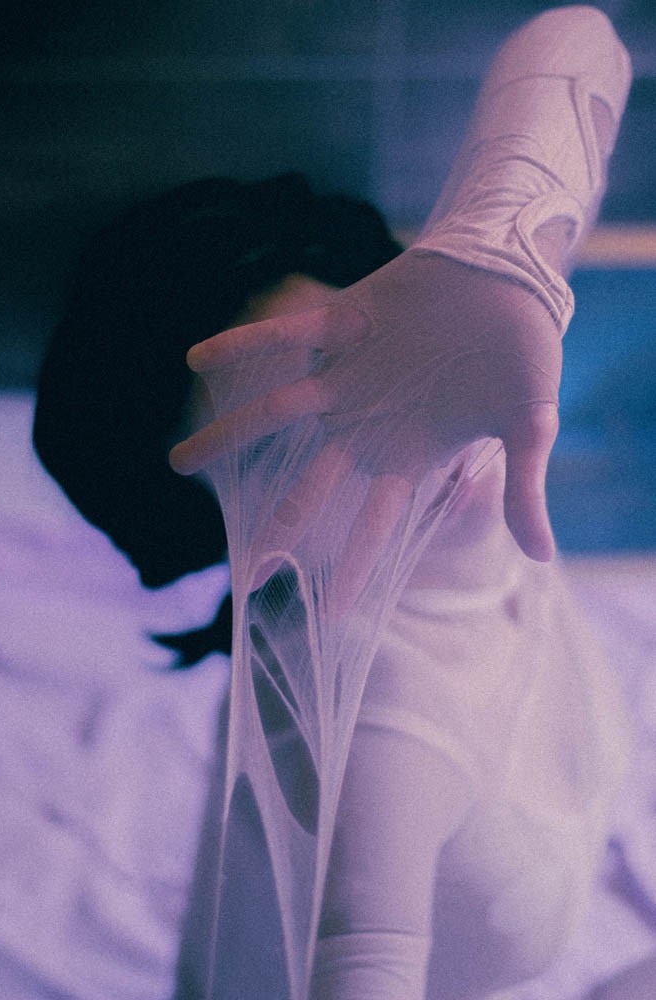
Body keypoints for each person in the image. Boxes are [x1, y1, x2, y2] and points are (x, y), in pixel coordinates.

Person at [34, 6, 634, 999]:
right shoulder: (381, 744)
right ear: (236, 543)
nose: (399, 443)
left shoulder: (467, 385)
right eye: (283, 454)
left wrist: (501, 248)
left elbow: (582, 34)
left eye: (348, 370)